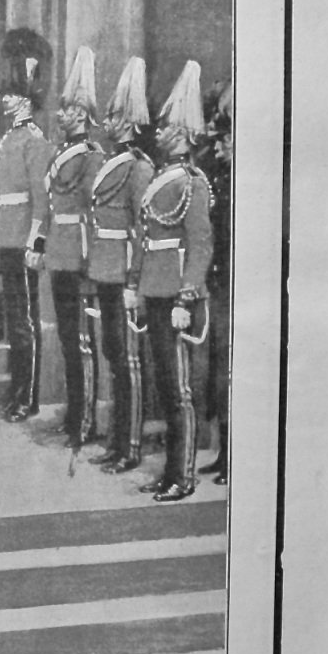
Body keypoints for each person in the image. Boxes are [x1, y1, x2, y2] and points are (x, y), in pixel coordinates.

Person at [128, 61, 215, 503]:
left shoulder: (193, 182)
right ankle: (168, 474)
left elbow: (199, 245)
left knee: (180, 392)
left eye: (164, 126)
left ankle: (183, 476)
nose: (157, 132)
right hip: (156, 291)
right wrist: (139, 288)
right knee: (166, 387)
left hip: (177, 295)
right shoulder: (162, 177)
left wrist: (186, 296)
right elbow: (146, 238)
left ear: (181, 132)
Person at [87, 57, 156, 474]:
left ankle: (130, 447)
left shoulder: (139, 168)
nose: (107, 121)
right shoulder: (113, 161)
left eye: (114, 115)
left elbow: (142, 229)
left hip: (124, 272)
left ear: (129, 122)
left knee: (128, 361)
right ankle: (117, 443)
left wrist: (135, 281)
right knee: (114, 355)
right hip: (105, 269)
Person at [38, 47, 104, 450]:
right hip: (60, 256)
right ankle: (75, 414)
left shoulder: (92, 157)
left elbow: (94, 214)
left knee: (81, 343)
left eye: (65, 110)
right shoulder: (62, 152)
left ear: (80, 114)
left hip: (79, 257)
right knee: (67, 340)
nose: (59, 115)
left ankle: (86, 421)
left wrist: (89, 263)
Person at [0, 30, 54, 422]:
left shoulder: (34, 140)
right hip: (6, 234)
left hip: (23, 237)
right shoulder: (11, 138)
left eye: (11, 95)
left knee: (26, 320)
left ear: (26, 100)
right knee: (15, 319)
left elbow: (41, 198)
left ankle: (28, 397)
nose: (4, 101)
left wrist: (36, 241)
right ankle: (17, 390)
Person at [198, 79, 232, 486]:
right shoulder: (219, 179)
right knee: (218, 371)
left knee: (231, 371)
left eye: (225, 139)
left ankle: (233, 456)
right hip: (219, 285)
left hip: (235, 289)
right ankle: (223, 453)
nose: (218, 146)